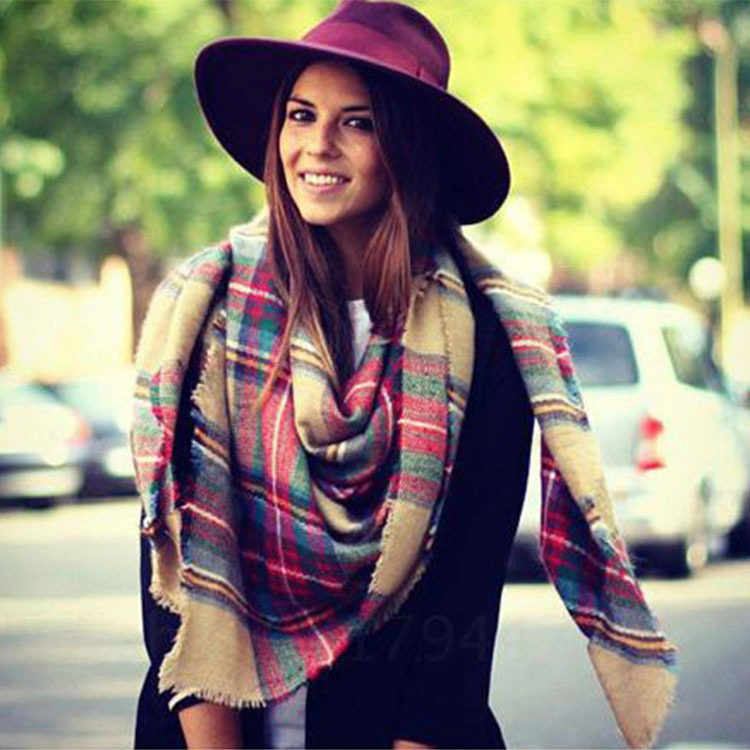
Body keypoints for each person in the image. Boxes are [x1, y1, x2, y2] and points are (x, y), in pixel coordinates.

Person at [131, 2, 678, 749]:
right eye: (300, 115)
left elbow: (462, 600)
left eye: (357, 122)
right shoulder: (206, 311)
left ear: (408, 147)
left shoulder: (487, 336)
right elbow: (173, 574)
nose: (317, 145)